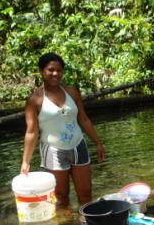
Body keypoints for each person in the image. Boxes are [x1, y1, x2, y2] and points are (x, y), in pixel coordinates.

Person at [20, 52, 105, 207]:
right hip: (53, 151)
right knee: (61, 197)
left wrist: (98, 143)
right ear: (41, 71)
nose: (55, 74)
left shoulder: (72, 92)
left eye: (59, 70)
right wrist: (25, 162)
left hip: (78, 146)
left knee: (86, 194)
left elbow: (83, 119)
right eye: (50, 70)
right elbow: (31, 131)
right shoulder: (35, 100)